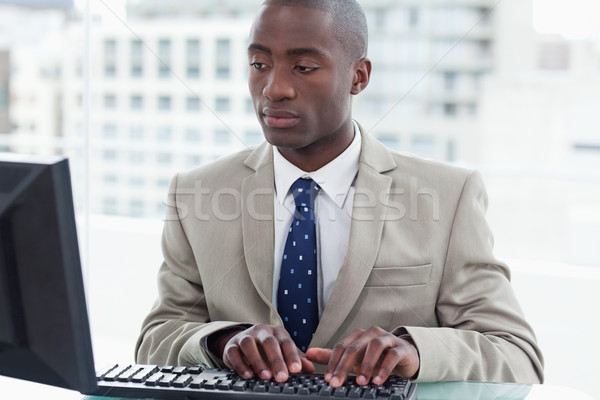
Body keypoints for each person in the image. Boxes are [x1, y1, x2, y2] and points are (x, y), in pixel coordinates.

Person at [135, 0, 544, 386]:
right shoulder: (195, 194)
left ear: (358, 77)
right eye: (259, 64)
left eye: (304, 67)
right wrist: (221, 342)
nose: (274, 88)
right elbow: (155, 339)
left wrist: (415, 351)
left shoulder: (449, 196)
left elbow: (517, 356)